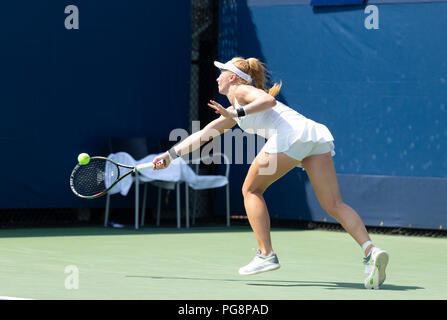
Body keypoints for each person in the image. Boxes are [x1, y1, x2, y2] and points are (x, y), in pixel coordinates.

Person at [152, 57, 389, 289]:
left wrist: (236, 114)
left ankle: (266, 254)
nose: (217, 78)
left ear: (232, 77)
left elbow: (268, 101)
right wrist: (170, 155)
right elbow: (204, 134)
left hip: (289, 136)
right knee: (334, 204)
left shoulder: (240, 92)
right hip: (311, 136)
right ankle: (371, 250)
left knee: (251, 190)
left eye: (221, 73)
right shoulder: (234, 105)